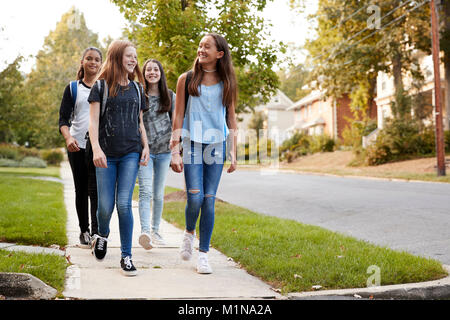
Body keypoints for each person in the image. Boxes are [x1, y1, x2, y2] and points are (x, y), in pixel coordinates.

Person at [170, 33, 238, 274]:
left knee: (209, 200)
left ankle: (204, 254)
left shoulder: (227, 80)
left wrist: (233, 150)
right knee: (195, 197)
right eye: (200, 45)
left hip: (216, 146)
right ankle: (189, 231)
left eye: (206, 46)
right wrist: (175, 150)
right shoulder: (186, 79)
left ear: (219, 54)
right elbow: (178, 115)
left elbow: (231, 117)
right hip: (192, 144)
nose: (201, 49)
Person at [88, 40, 149, 277]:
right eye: (129, 56)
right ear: (116, 58)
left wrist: (146, 147)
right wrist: (96, 149)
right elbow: (93, 122)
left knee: (124, 203)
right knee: (105, 206)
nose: (134, 60)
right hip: (106, 153)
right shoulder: (101, 87)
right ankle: (102, 234)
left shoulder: (137, 89)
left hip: (130, 152)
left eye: (135, 56)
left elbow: (140, 122)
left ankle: (126, 256)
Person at [59, 47, 102, 248]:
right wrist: (68, 139)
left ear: (101, 64)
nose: (93, 62)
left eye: (97, 60)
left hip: (97, 147)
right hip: (77, 146)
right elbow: (63, 119)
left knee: (96, 191)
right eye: (89, 59)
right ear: (82, 61)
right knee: (81, 189)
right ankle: (84, 230)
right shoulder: (72, 88)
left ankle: (96, 232)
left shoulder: (104, 87)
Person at [137, 59, 176, 250]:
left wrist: (177, 148)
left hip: (164, 152)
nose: (152, 72)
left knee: (159, 194)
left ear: (161, 73)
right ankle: (145, 232)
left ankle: (156, 230)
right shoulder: (139, 95)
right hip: (145, 152)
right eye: (148, 70)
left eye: (156, 69)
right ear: (144, 73)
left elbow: (177, 123)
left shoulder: (169, 96)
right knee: (145, 191)